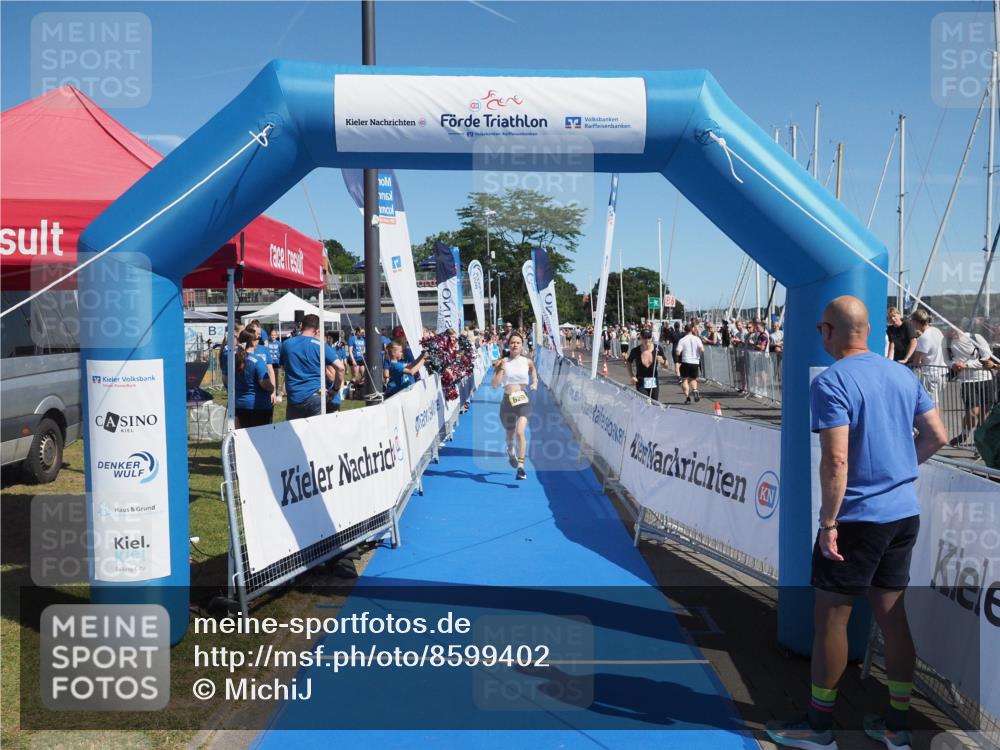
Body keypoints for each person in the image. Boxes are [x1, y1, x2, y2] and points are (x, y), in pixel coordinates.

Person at [766, 296, 947, 750]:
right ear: (868, 331)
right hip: (903, 513)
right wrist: (899, 471)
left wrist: (828, 523)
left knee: (831, 619)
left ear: (828, 331)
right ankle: (897, 724)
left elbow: (837, 459)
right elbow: (937, 436)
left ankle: (820, 726)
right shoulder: (902, 374)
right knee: (892, 617)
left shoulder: (833, 381)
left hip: (857, 519)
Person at [279, 314, 346, 420]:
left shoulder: (286, 344)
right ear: (317, 330)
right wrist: (335, 389)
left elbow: (282, 366)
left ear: (301, 326)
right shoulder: (320, 345)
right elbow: (341, 368)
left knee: (295, 433)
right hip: (315, 396)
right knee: (316, 434)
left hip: (294, 397)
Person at [490, 333, 538, 481]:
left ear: (522, 345)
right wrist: (501, 369)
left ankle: (521, 467)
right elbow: (494, 385)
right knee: (510, 434)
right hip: (507, 402)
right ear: (508, 345)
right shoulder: (502, 361)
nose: (515, 345)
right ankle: (511, 452)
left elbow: (533, 371)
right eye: (513, 343)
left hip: (523, 400)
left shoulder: (527, 361)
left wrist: (535, 382)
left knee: (519, 432)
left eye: (518, 342)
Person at [946, 324, 996, 446]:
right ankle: (964, 433)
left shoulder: (975, 337)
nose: (952, 331)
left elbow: (986, 357)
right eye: (949, 328)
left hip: (985, 378)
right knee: (973, 412)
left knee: (985, 412)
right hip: (967, 381)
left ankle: (980, 443)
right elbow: (946, 359)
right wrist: (953, 364)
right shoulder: (947, 342)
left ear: (960, 327)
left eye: (954, 328)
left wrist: (967, 365)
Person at [233, 329, 274, 428]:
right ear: (252, 341)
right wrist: (272, 388)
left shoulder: (234, 359)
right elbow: (264, 383)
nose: (258, 341)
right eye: (257, 339)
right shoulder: (257, 360)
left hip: (240, 404)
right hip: (258, 406)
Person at [909, 309, 948, 405]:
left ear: (916, 322)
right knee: (935, 402)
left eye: (912, 321)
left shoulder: (924, 338)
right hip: (942, 373)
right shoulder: (937, 331)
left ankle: (934, 420)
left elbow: (916, 361)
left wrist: (912, 363)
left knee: (931, 404)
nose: (911, 324)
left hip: (930, 375)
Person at [626, 329, 668, 400]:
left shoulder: (658, 348)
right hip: (641, 381)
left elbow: (666, 365)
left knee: (654, 404)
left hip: (653, 381)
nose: (647, 340)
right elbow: (628, 362)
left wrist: (663, 362)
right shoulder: (635, 351)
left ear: (651, 338)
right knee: (645, 402)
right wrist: (632, 376)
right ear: (641, 338)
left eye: (649, 337)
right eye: (645, 338)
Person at [675, 323, 705, 403]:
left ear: (684, 330)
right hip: (695, 361)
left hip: (685, 361)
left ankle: (688, 398)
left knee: (684, 380)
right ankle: (695, 390)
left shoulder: (682, 340)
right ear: (692, 330)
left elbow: (678, 353)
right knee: (693, 379)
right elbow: (702, 350)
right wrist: (697, 353)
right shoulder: (697, 339)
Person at [347, 327, 367, 392]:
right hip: (354, 359)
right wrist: (353, 361)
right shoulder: (352, 339)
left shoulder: (363, 339)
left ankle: (358, 386)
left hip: (361, 359)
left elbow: (364, 349)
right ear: (357, 332)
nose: (363, 334)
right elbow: (350, 351)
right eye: (362, 332)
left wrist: (364, 352)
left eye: (363, 332)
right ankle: (350, 389)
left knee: (364, 375)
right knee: (355, 375)